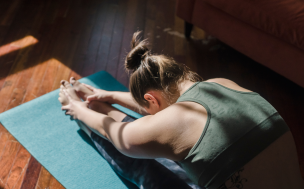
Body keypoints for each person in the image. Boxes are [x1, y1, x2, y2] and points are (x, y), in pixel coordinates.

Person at [58, 31, 304, 189]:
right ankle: (101, 105)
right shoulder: (220, 84)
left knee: (149, 165)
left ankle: (92, 116)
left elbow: (117, 135)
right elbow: (167, 111)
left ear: (150, 99)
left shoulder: (175, 122)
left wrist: (76, 109)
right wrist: (111, 96)